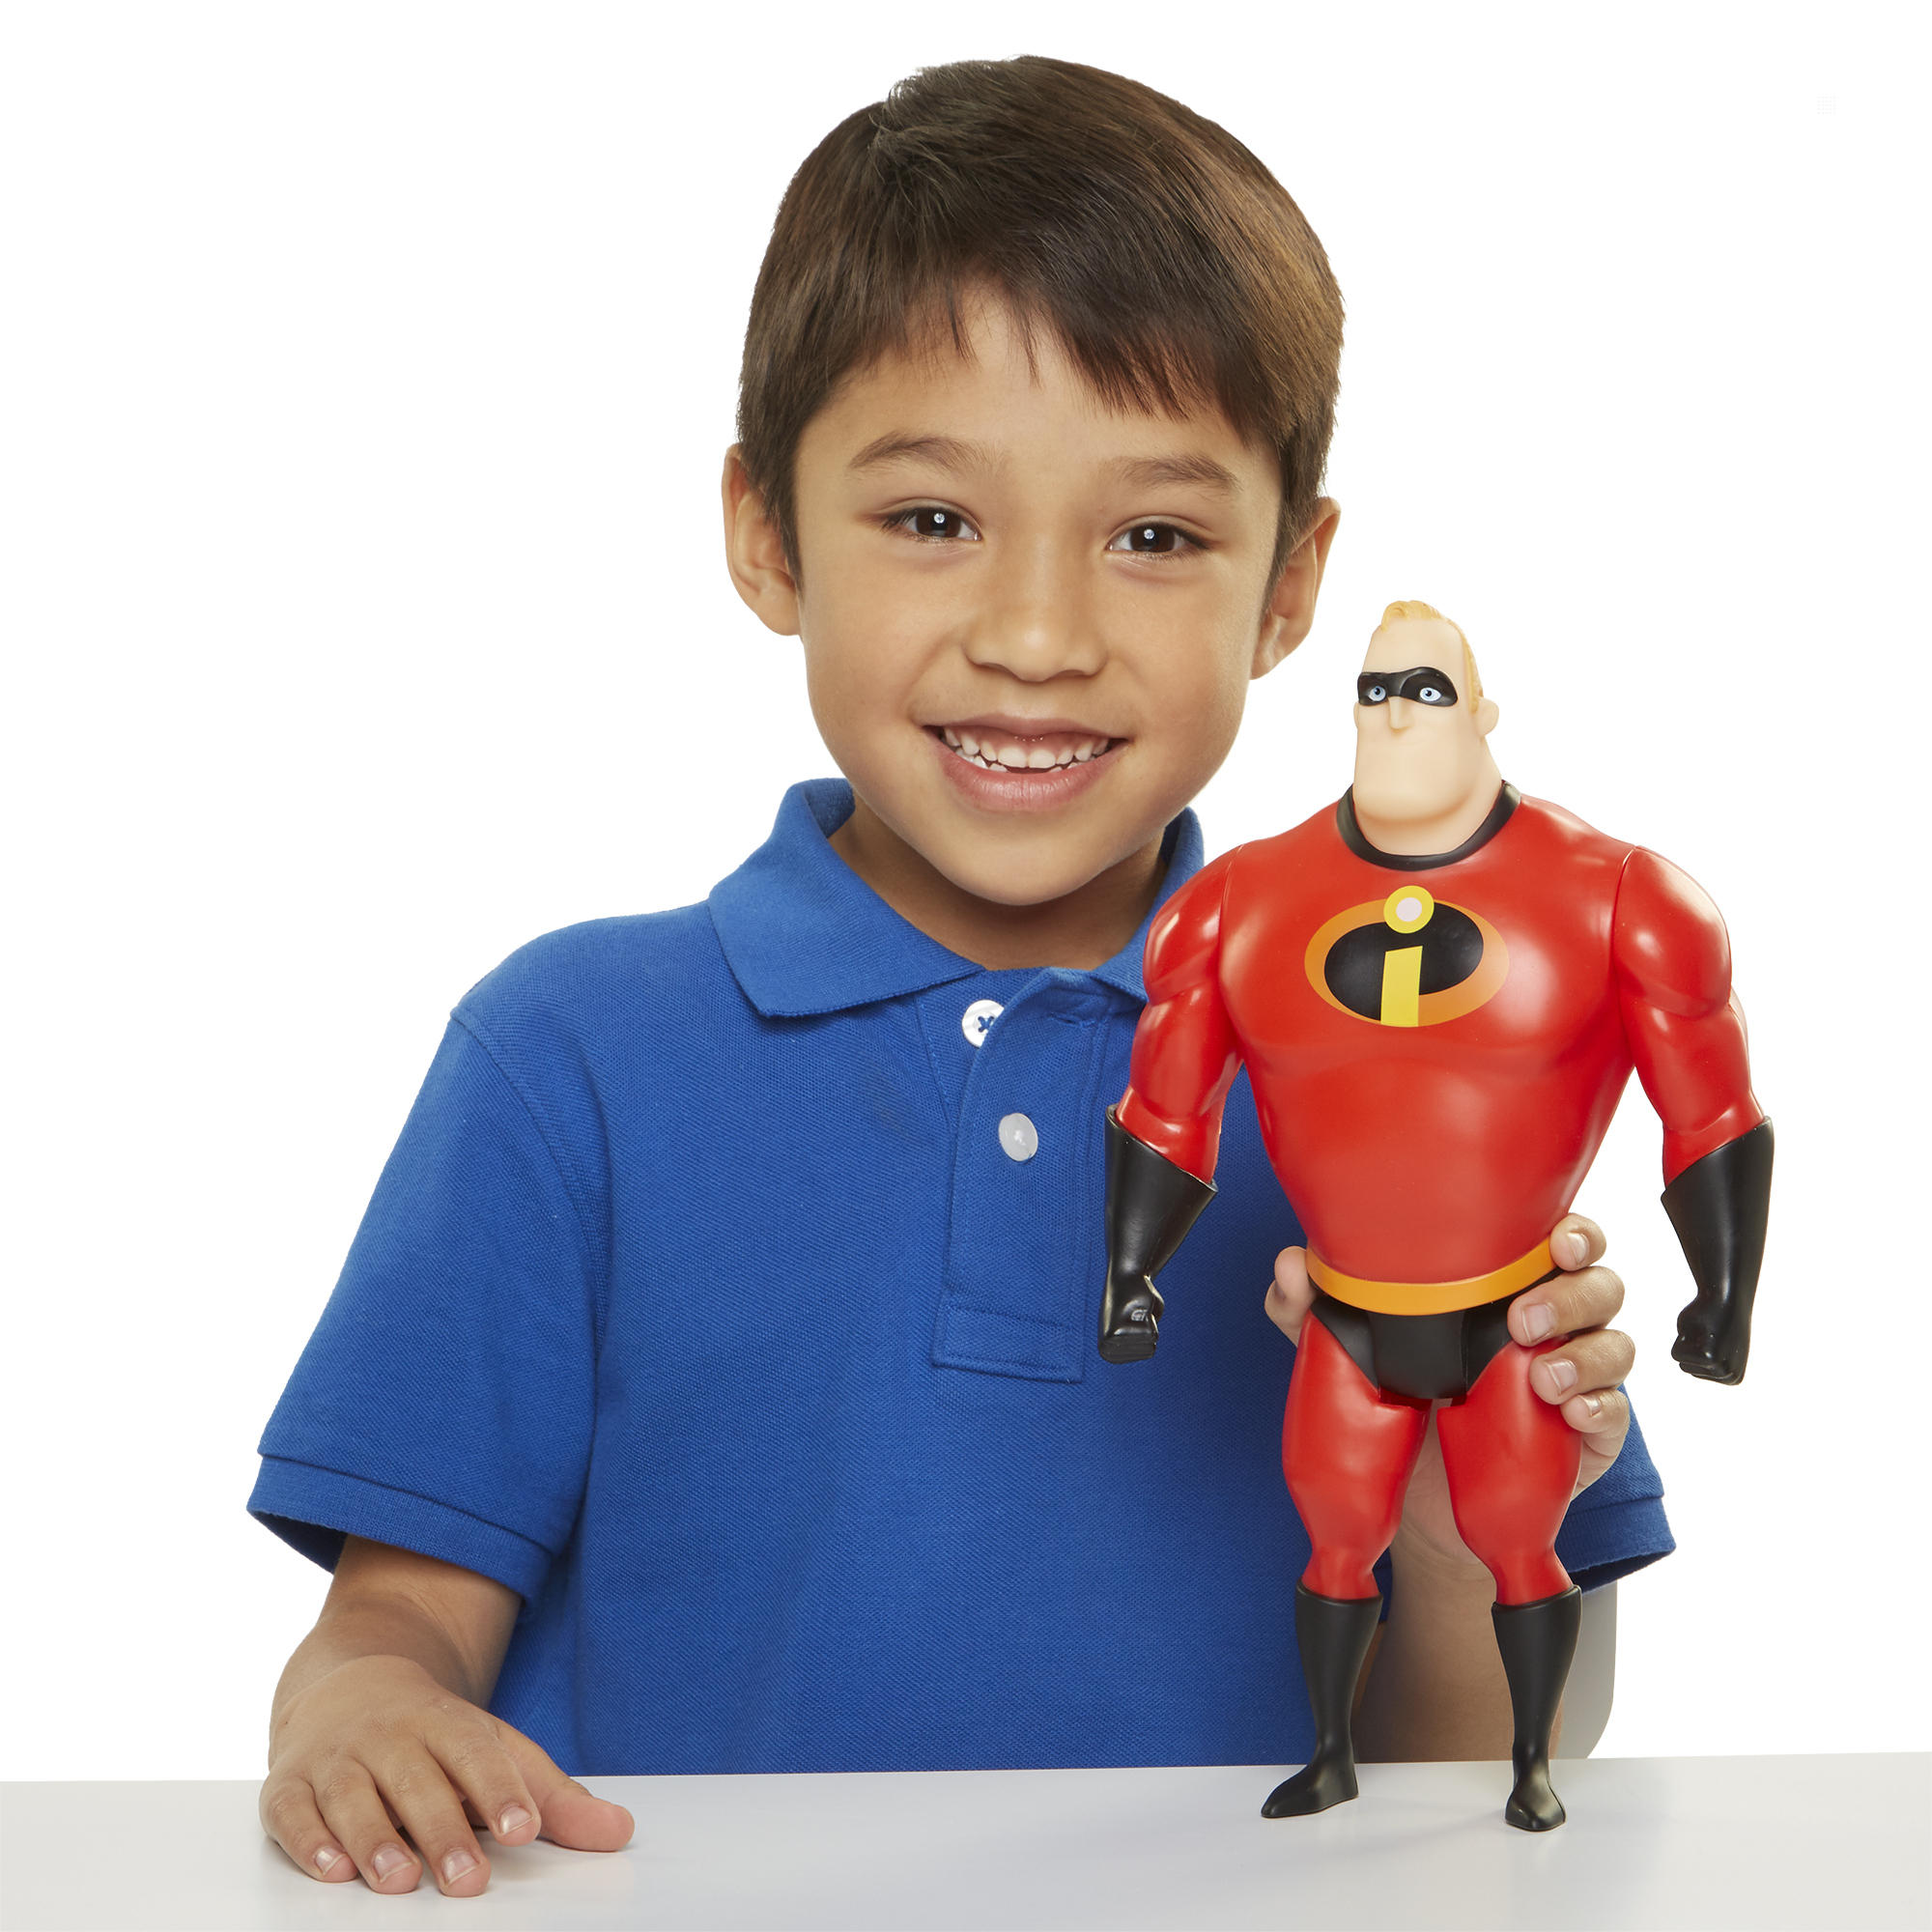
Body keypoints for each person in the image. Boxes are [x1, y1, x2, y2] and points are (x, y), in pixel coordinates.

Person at [250, 59, 1674, 1897]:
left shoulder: (1407, 1073)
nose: (1037, 635)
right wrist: (362, 1715)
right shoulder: (570, 1059)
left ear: (1288, 586)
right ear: (766, 532)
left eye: (1155, 537)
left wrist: (1453, 1515)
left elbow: (1483, 1781)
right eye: (932, 519)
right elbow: (391, 1635)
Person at [1099, 602, 1768, 1830]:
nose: (1395, 713)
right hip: (1345, 1312)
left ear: (1480, 710)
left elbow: (1708, 1106)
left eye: (1423, 688)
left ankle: (1528, 1771)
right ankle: (1329, 1754)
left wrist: (1720, 1294)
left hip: (1504, 1309)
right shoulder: (1239, 901)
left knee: (1513, 1540)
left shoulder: (1618, 894)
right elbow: (1166, 1106)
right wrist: (1129, 1269)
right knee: (1334, 1536)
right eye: (1374, 690)